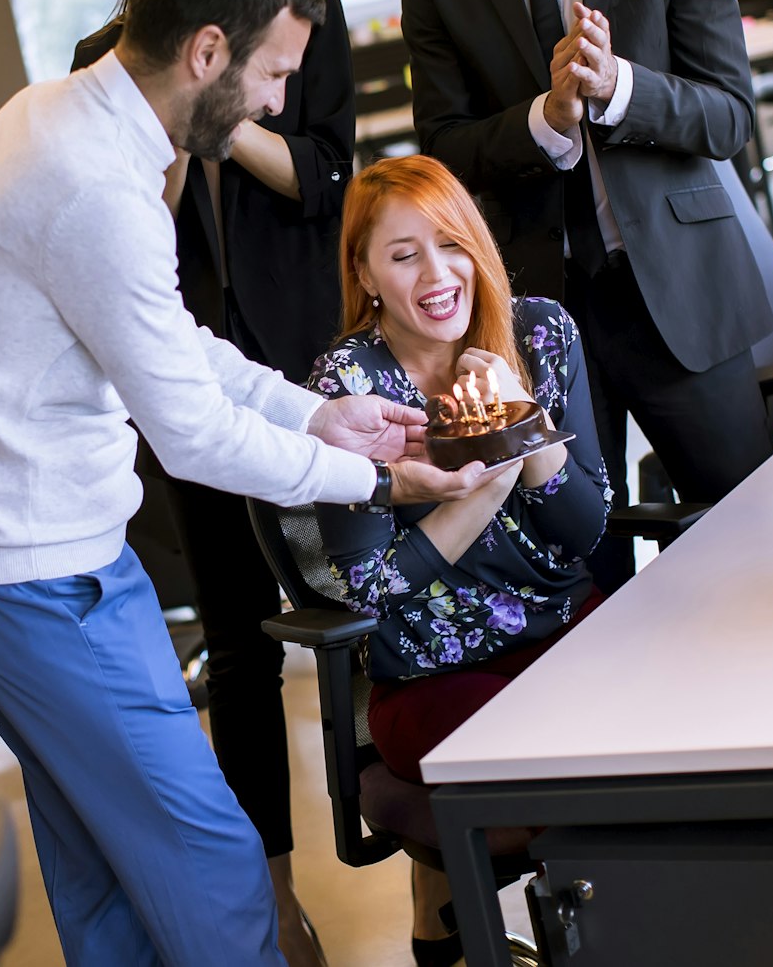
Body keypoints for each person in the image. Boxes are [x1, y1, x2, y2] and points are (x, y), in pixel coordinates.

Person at [0, 0, 491, 967]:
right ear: (207, 52)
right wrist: (367, 472)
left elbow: (170, 342)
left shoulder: (56, 115)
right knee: (214, 863)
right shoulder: (95, 186)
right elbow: (187, 434)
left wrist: (313, 414)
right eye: (271, 74)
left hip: (42, 556)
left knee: (104, 874)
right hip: (35, 576)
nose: (277, 103)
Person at [402, 0, 773, 586]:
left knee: (755, 539)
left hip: (679, 296)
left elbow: (728, 115)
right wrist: (548, 119)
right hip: (536, 318)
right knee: (582, 575)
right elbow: (445, 151)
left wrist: (620, 89)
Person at [71, 0, 354, 967]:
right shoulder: (109, 49)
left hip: (302, 343)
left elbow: (322, 180)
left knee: (370, 604)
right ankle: (272, 897)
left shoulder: (301, 4)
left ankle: (433, 872)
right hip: (180, 372)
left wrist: (217, 94)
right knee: (239, 645)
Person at [305, 154, 608, 967]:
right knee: (561, 772)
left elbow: (586, 528)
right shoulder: (351, 383)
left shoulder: (539, 332)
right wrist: (483, 485)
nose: (438, 275)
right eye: (403, 255)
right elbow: (371, 587)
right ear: (364, 273)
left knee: (655, 743)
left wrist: (523, 426)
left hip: (564, 633)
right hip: (435, 673)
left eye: (451, 244)